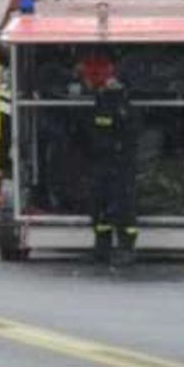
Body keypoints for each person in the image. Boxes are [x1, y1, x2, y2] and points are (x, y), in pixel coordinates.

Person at [78, 51, 139, 267]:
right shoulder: (102, 96)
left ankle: (126, 247)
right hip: (101, 162)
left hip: (119, 162)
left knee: (123, 206)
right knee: (99, 205)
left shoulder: (119, 98)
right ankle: (101, 247)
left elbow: (126, 131)